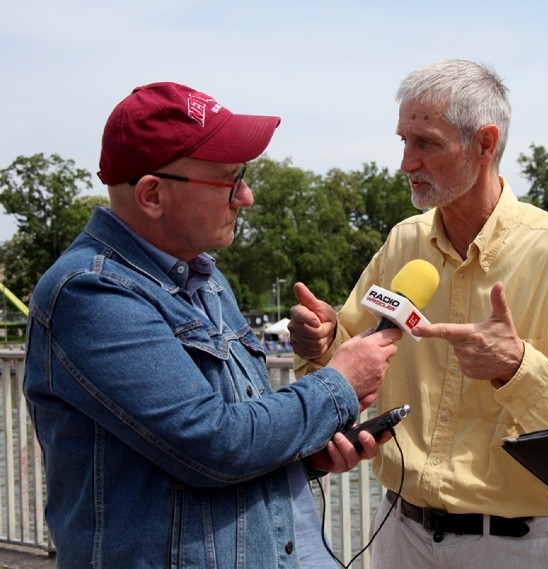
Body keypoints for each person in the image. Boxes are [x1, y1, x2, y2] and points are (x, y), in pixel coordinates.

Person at [23, 81, 402, 568]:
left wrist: (306, 453)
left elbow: (236, 431)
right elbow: (214, 444)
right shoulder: (90, 294)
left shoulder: (205, 276)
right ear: (153, 195)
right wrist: (339, 384)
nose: (245, 196)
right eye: (230, 179)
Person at [288, 59, 548, 569]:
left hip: (520, 549)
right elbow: (346, 355)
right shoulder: (402, 241)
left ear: (485, 144)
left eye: (425, 143)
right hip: (399, 535)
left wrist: (516, 369)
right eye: (403, 141)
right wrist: (320, 341)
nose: (405, 163)